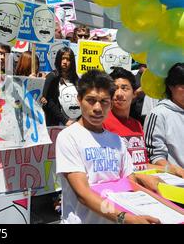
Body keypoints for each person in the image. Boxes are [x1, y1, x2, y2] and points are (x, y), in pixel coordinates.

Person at [56, 70, 162, 224]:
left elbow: (129, 184)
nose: (97, 108)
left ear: (110, 103)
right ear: (79, 100)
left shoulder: (117, 141)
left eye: (104, 101)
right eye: (91, 100)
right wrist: (124, 218)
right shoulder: (68, 137)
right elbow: (83, 194)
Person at [102, 68, 162, 172]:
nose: (119, 93)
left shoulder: (137, 125)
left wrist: (170, 169)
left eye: (124, 88)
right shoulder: (102, 124)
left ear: (134, 93)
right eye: (115, 88)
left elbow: (143, 165)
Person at [144, 63, 184, 178]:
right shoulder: (158, 114)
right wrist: (176, 172)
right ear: (171, 86)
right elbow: (154, 156)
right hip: (174, 184)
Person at [42, 47, 81, 126]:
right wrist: (64, 121)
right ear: (58, 59)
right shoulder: (52, 77)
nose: (65, 62)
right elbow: (48, 101)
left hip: (75, 123)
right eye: (63, 58)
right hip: (56, 123)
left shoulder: (77, 79)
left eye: (68, 59)